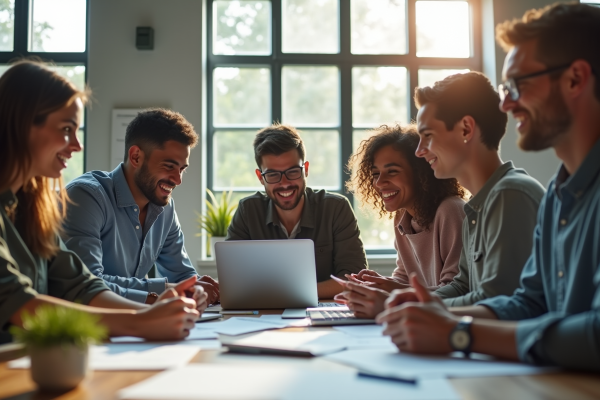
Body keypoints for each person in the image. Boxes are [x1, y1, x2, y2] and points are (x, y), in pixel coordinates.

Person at [377, 2, 600, 372]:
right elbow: (529, 303)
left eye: (518, 85)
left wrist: (458, 333)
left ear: (575, 79)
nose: (506, 102)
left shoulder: (516, 194)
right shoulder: (557, 200)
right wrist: (429, 313)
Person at [0, 60, 205, 344]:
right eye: (67, 129)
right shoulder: (86, 195)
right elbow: (16, 302)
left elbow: (80, 285)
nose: (77, 145)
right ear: (23, 125)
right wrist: (142, 321)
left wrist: (157, 314)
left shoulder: (34, 206)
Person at [412, 71, 545, 307]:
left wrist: (416, 307)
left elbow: (496, 301)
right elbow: (463, 286)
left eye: (428, 135)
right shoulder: (477, 205)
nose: (419, 150)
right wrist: (401, 300)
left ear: (465, 129)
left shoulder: (509, 195)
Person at [62, 109, 219, 305]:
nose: (178, 180)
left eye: (182, 169)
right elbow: (87, 285)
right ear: (136, 157)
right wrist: (161, 292)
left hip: (136, 327)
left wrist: (199, 291)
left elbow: (182, 277)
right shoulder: (86, 197)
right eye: (169, 166)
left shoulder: (165, 209)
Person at [336, 124, 466, 317]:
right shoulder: (402, 217)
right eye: (375, 174)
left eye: (392, 171)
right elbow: (405, 278)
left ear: (420, 172)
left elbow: (456, 291)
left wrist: (391, 289)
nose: (379, 183)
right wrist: (380, 283)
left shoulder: (451, 210)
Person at [225, 123, 367, 299]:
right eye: (272, 175)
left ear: (305, 169)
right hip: (263, 316)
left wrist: (287, 294)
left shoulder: (335, 208)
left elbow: (354, 279)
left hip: (322, 315)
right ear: (260, 177)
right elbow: (233, 280)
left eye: (292, 172)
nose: (284, 183)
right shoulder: (248, 211)